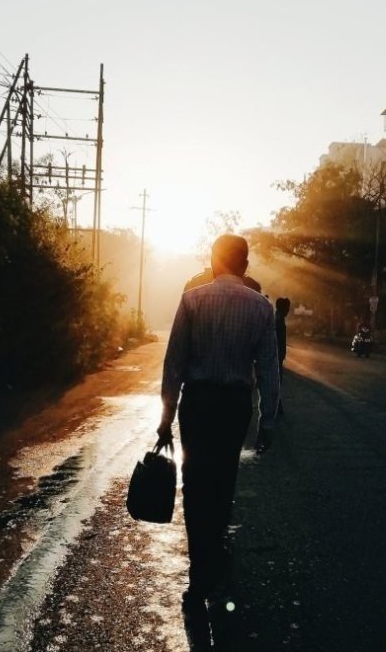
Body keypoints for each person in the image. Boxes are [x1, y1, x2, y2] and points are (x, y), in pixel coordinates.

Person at [157, 234, 280, 644]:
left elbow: (173, 363)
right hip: (234, 407)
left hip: (198, 404)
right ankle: (214, 562)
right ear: (245, 264)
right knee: (222, 482)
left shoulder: (193, 300)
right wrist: (267, 423)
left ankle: (198, 573)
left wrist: (165, 419)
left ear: (214, 261)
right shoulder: (261, 307)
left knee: (194, 485)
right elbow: (268, 372)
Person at [274, 297, 290, 414]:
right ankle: (276, 407)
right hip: (276, 356)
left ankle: (277, 405)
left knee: (277, 382)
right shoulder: (278, 320)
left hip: (277, 356)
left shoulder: (279, 318)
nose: (288, 310)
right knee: (276, 381)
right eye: (287, 308)